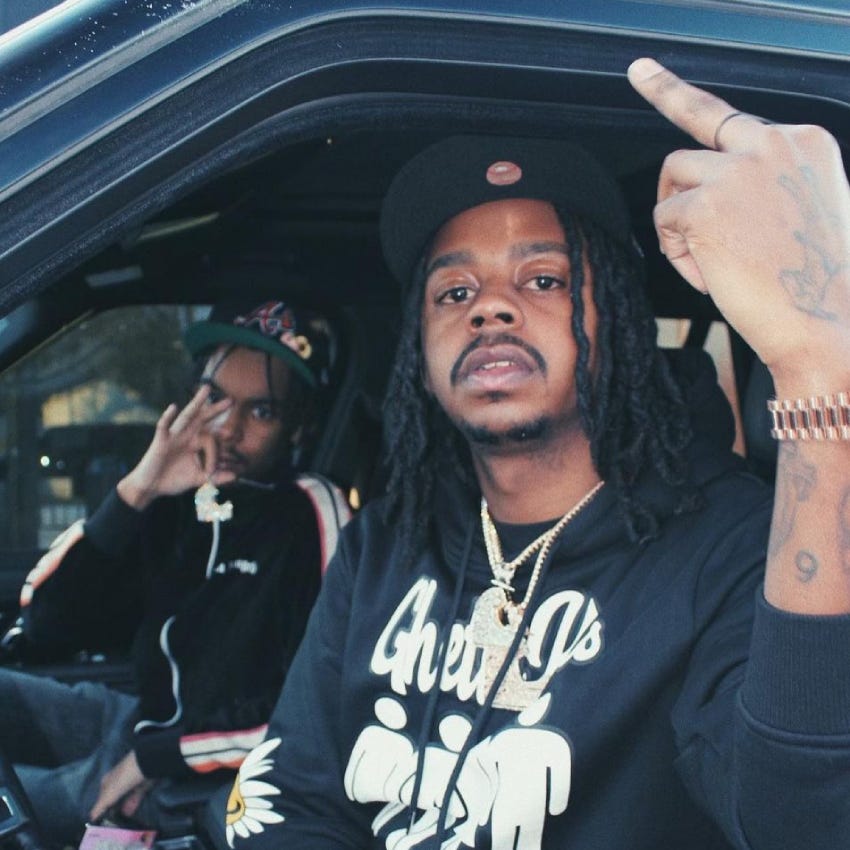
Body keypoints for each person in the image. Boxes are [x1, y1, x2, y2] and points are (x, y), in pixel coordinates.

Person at [221, 60, 850, 849]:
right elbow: (289, 800)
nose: (490, 306)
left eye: (544, 279)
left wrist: (817, 368)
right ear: (419, 354)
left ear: (616, 322)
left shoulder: (734, 547)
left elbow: (800, 822)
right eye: (454, 292)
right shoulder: (386, 541)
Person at [0, 298, 351, 843]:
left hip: (200, 771)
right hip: (139, 723)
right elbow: (46, 622)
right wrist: (139, 489)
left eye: (261, 412)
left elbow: (313, 708)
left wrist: (156, 758)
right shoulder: (180, 497)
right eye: (214, 399)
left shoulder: (310, 513)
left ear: (297, 427)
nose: (228, 429)